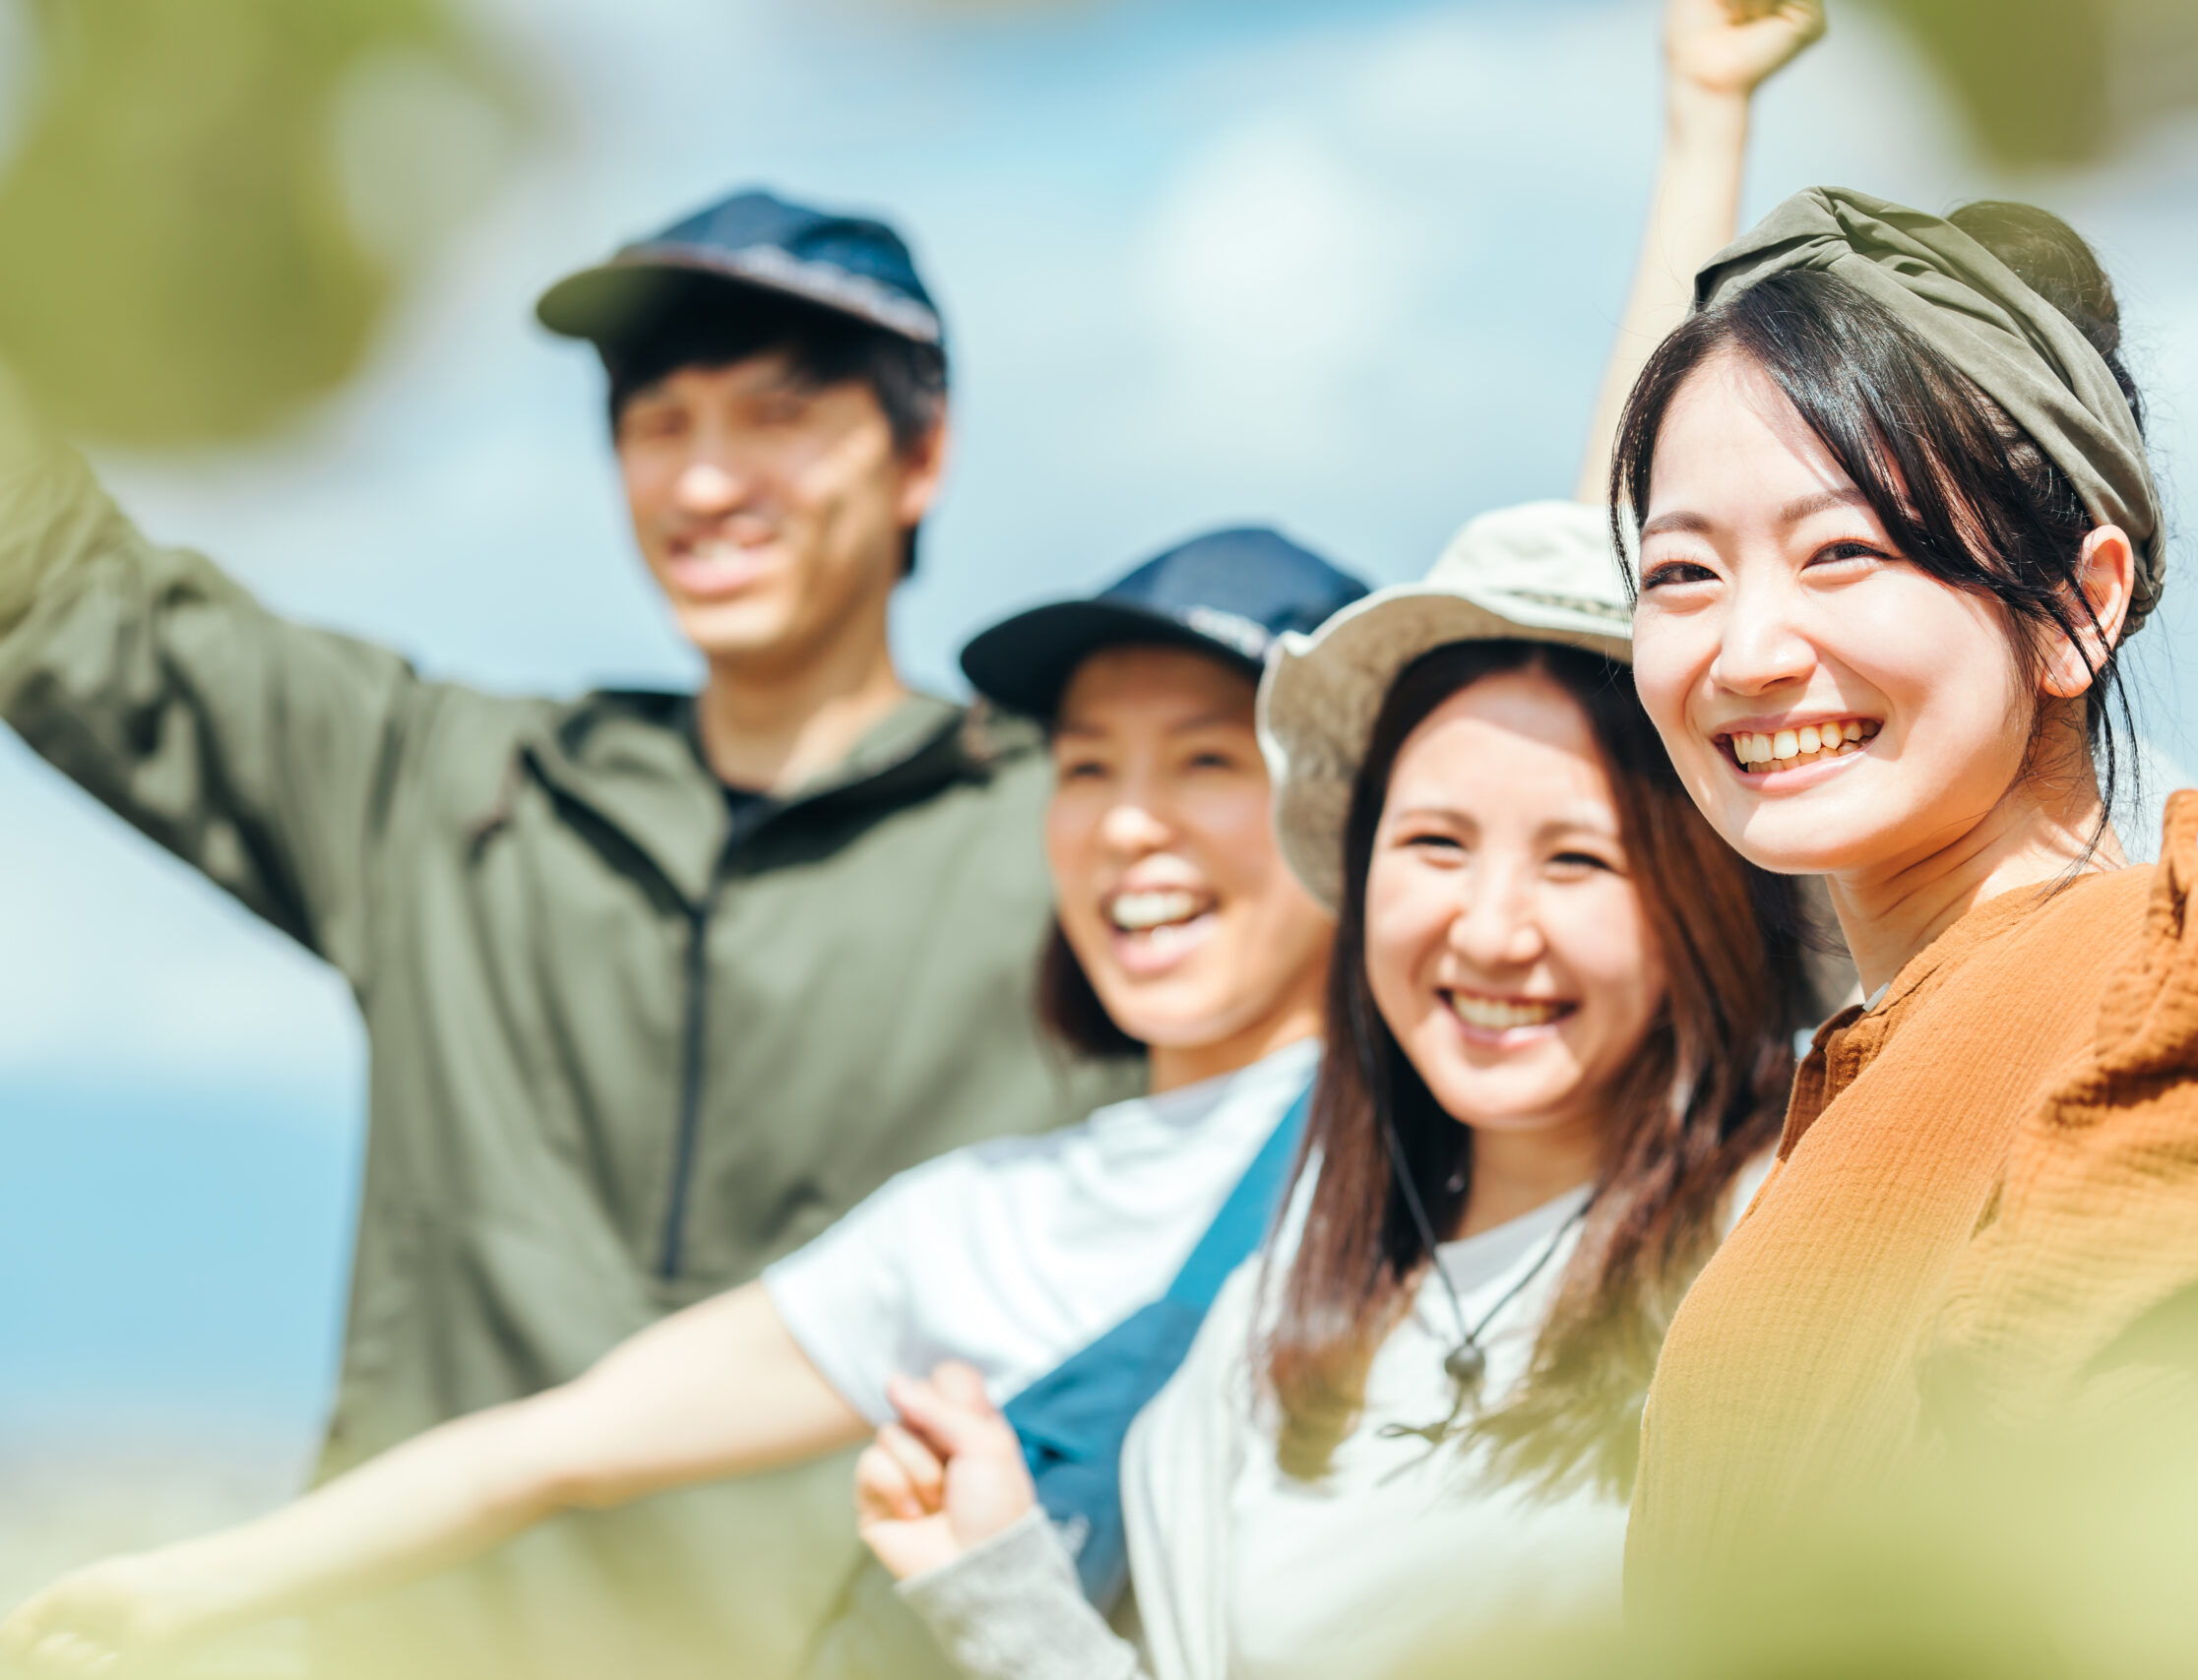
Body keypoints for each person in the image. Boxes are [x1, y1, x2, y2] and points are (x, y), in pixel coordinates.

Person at [0, 193, 1147, 1678]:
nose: (709, 475)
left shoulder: (1092, 846)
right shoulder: (438, 789)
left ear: (923, 452)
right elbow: (68, 599)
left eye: (780, 414)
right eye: (657, 423)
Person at [0, 530, 1368, 1679]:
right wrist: (174, 1588)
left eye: (1209, 762)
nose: (1129, 824)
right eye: (1084, 766)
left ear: (1359, 816)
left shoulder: (1431, 1155)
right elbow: (553, 1448)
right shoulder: (982, 1218)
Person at [1602, 189, 2198, 1587]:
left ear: (2079, 603)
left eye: (1842, 551)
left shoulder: (2178, 965)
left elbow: (2123, 1485)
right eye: (1682, 571)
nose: (1747, 647)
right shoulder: (1876, 1050)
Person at [848, 504, 1820, 1680]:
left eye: (1578, 859)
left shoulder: (1791, 1255)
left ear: (1704, 902)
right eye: (1434, 845)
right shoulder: (1251, 1351)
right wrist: (1006, 1596)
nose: (1492, 931)